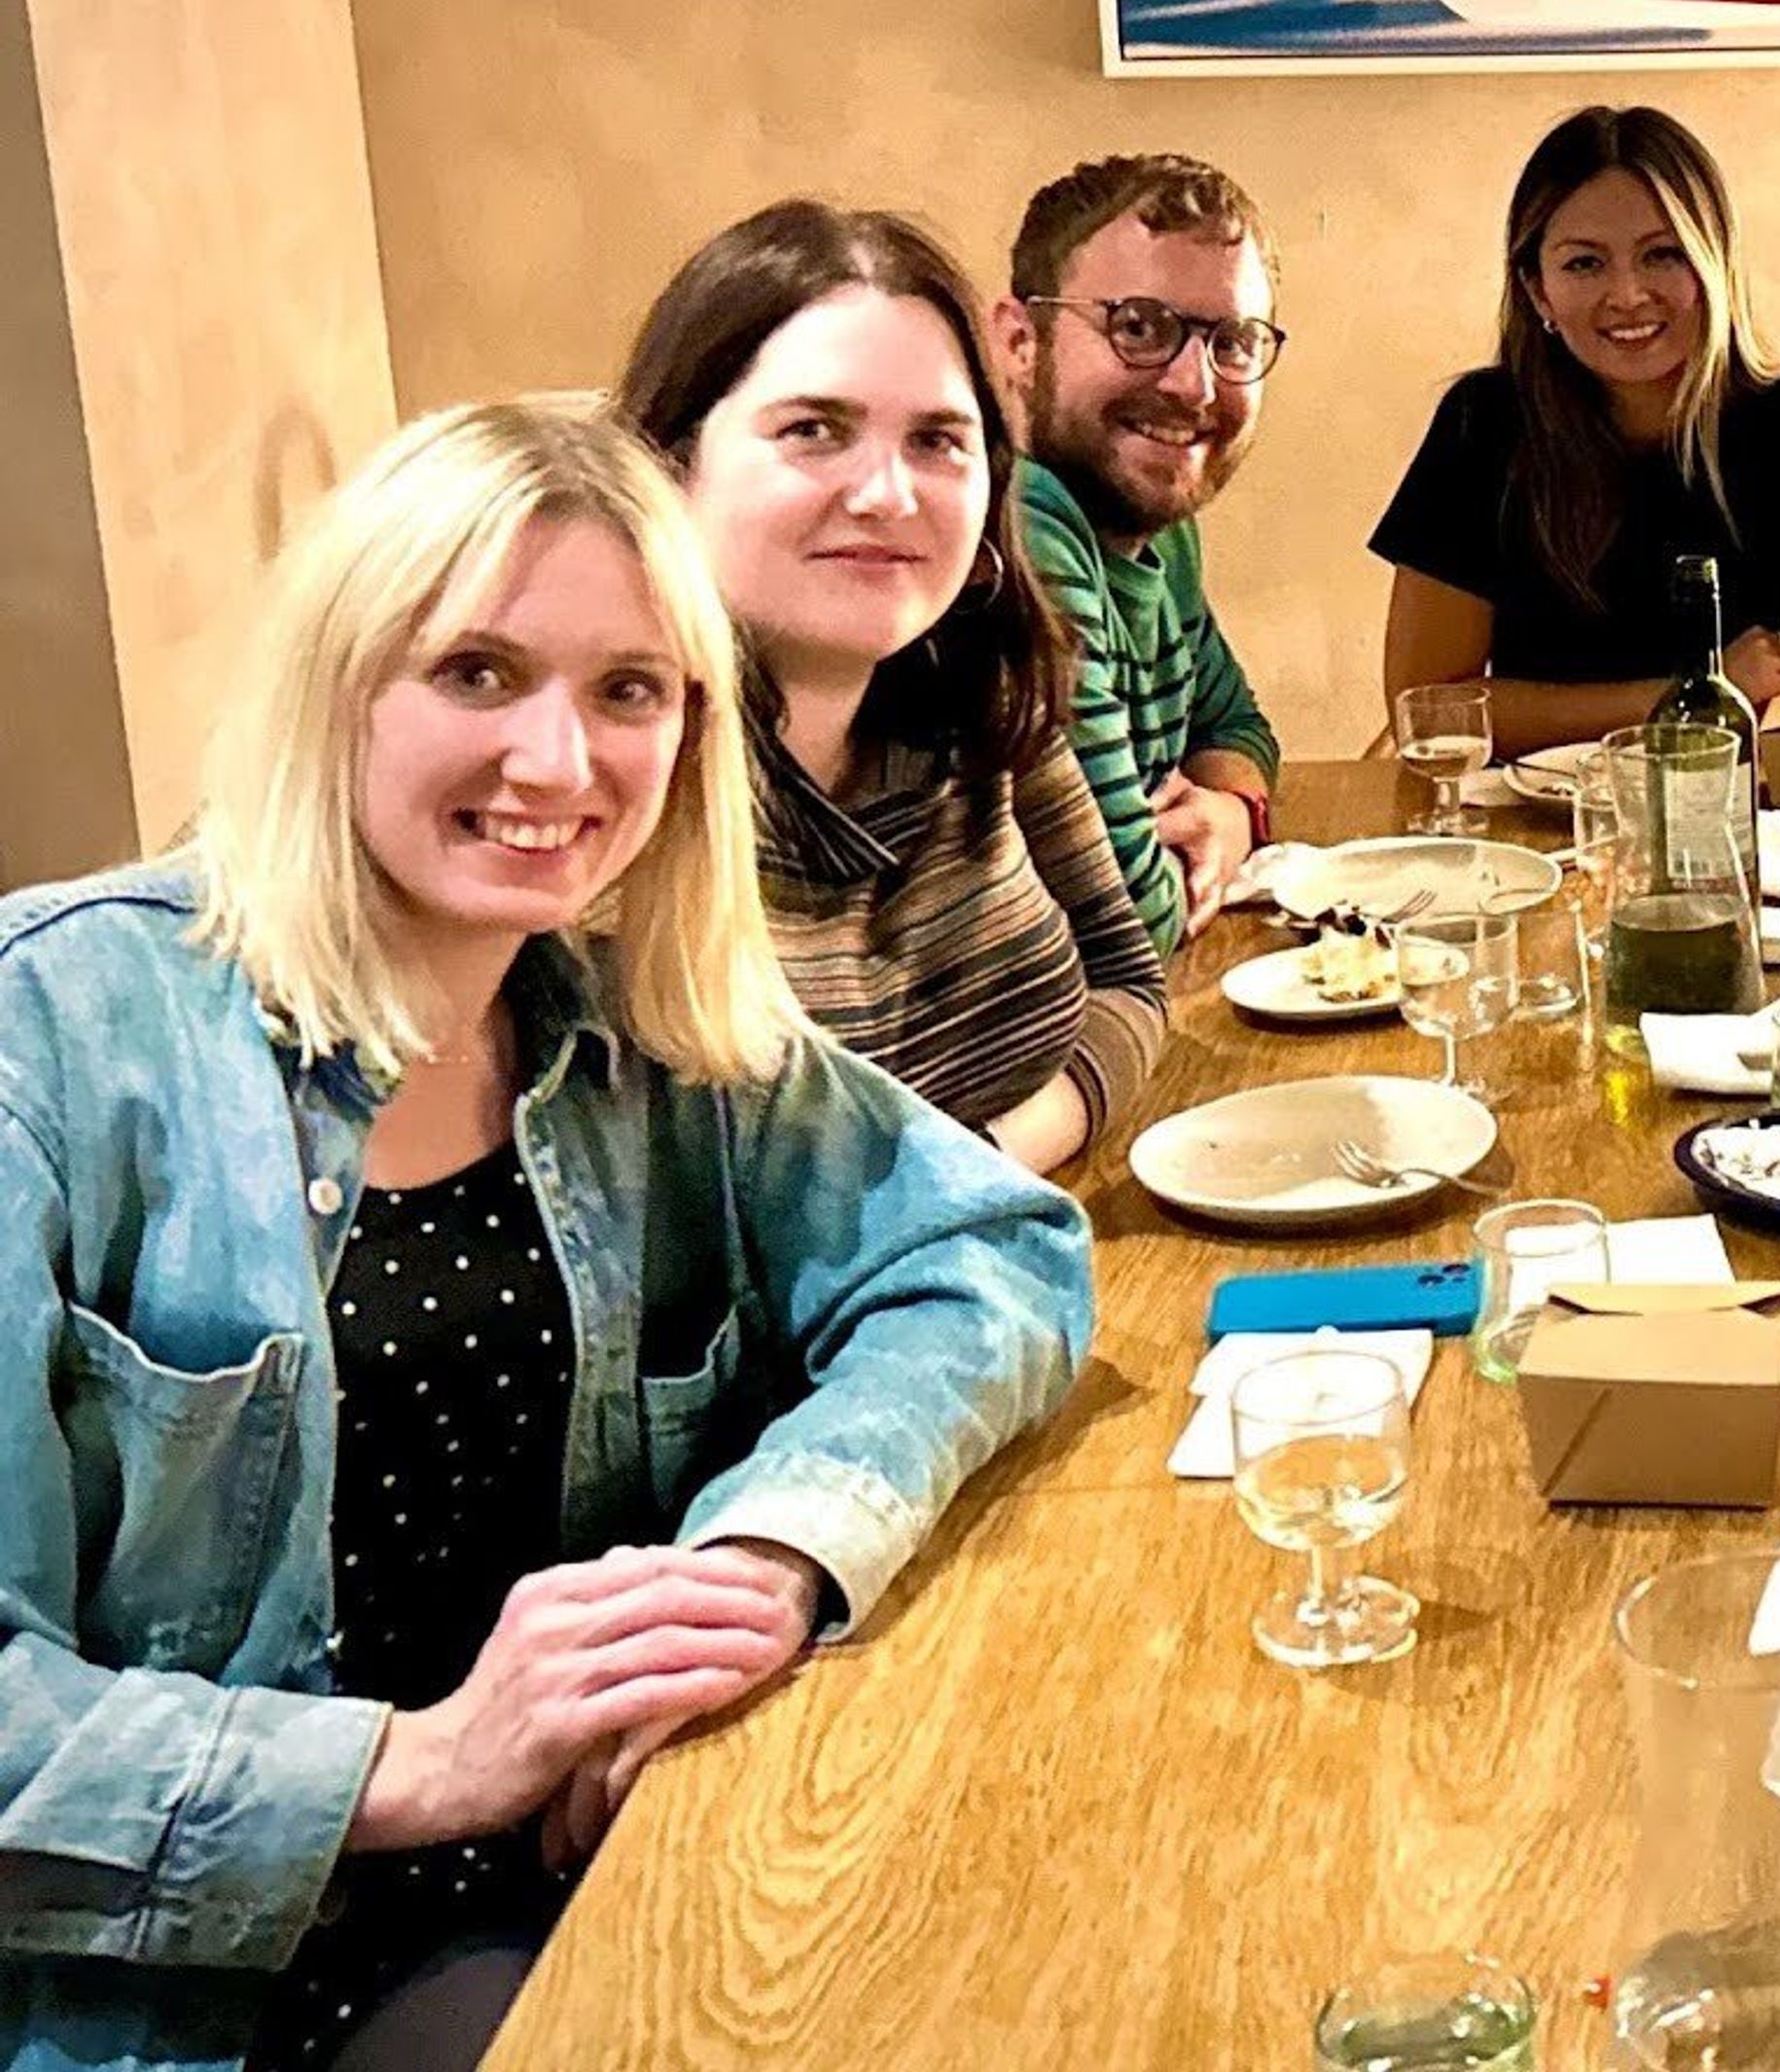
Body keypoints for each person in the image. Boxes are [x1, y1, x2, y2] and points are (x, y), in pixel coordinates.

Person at [0, 398, 1092, 2072]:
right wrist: (429, 1761)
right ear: (337, 682)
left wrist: (758, 1564)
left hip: (596, 1873)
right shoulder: (54, 1036)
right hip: (178, 1995)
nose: (559, 765)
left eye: (628, 692)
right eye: (480, 673)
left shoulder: (643, 1027)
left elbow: (994, 1253)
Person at [617, 200, 1167, 1178]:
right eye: (814, 430)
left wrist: (985, 1164)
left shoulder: (986, 696)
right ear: (674, 463)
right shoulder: (604, 779)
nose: (888, 494)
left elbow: (1127, 980)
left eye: (937, 441)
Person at [1371, 105, 1780, 756]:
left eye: (1663, 255)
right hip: (1535, 830)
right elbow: (1432, 713)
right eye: (1584, 264)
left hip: (1772, 829)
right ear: (1537, 291)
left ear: (1715, 264)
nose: (1628, 294)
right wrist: (1698, 691)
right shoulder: (1482, 424)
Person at [992, 153, 1285, 949]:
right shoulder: (1021, 531)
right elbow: (1131, 914)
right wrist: (1211, 842)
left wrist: (1226, 814)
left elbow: (1241, 729)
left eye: (1232, 341)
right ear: (1020, 340)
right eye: (1140, 327)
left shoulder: (1161, 529)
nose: (1195, 386)